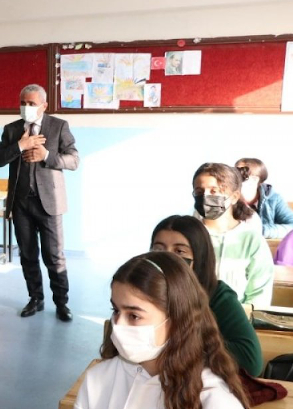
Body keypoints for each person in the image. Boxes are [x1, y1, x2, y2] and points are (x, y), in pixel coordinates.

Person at [75, 252, 249, 409]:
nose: (118, 325)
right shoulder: (98, 379)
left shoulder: (214, 399)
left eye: (134, 316)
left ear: (176, 319)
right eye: (116, 310)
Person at [0, 84, 79, 321]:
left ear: (44, 105)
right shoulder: (12, 130)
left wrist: (46, 155)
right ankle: (35, 298)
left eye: (31, 103)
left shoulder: (58, 126)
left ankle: (61, 303)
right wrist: (21, 145)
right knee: (28, 255)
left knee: (54, 256)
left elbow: (73, 160)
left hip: (49, 203)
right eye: (23, 103)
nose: (26, 107)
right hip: (21, 203)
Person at [151, 215, 263, 376]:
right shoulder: (141, 293)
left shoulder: (217, 296)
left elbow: (251, 362)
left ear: (199, 257)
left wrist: (178, 340)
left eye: (179, 251)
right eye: (158, 249)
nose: (167, 257)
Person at [192, 163, 273, 305]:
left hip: (236, 315)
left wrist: (237, 316)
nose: (205, 196)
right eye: (199, 191)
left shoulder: (251, 239)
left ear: (234, 196)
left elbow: (259, 296)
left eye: (214, 191)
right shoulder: (187, 235)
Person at [235, 158, 293, 239]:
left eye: (242, 174)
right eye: (235, 172)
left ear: (255, 179)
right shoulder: (228, 198)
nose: (236, 178)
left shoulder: (274, 199)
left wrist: (261, 230)